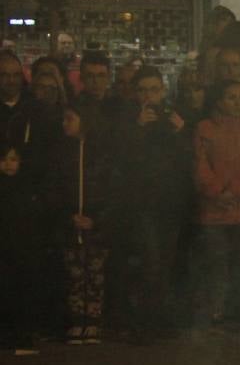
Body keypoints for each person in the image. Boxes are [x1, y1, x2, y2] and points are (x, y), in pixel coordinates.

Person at [113, 66, 191, 337]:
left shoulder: (172, 118)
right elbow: (121, 159)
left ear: (163, 90)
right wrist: (138, 128)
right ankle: (144, 321)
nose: (149, 96)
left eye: (154, 90)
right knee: (149, 261)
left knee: (165, 264)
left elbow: (186, 161)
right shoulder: (127, 118)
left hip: (169, 203)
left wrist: (181, 132)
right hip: (142, 204)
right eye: (143, 90)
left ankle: (159, 319)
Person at [194, 79, 240, 326]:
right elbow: (200, 165)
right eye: (231, 97)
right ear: (219, 101)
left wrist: (233, 192)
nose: (237, 102)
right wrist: (218, 192)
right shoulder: (205, 129)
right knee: (217, 263)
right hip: (215, 210)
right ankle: (216, 311)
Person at [45, 106, 113, 342]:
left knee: (95, 274)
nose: (64, 123)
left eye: (70, 119)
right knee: (74, 274)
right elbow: (53, 191)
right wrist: (68, 216)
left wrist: (96, 221)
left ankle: (93, 320)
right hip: (71, 226)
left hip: (96, 228)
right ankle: (76, 319)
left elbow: (113, 192)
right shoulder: (61, 153)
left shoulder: (102, 153)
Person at [0, 141, 41, 348]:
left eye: (13, 159)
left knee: (20, 288)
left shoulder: (26, 188)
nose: (8, 164)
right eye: (4, 159)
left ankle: (22, 331)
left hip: (21, 246)